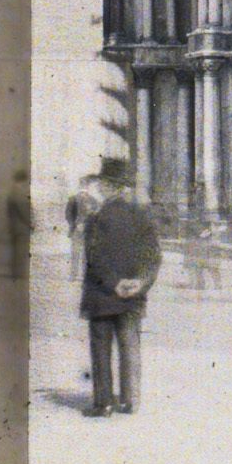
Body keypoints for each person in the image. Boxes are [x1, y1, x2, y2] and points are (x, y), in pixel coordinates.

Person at [79, 161, 161, 417]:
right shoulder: (142, 217)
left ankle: (103, 403)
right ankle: (129, 400)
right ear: (124, 188)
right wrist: (140, 282)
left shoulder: (96, 219)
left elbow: (95, 259)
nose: (100, 188)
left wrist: (114, 283)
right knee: (129, 346)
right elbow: (153, 255)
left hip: (102, 295)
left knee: (101, 348)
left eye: (102, 184)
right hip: (133, 297)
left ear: (107, 186)